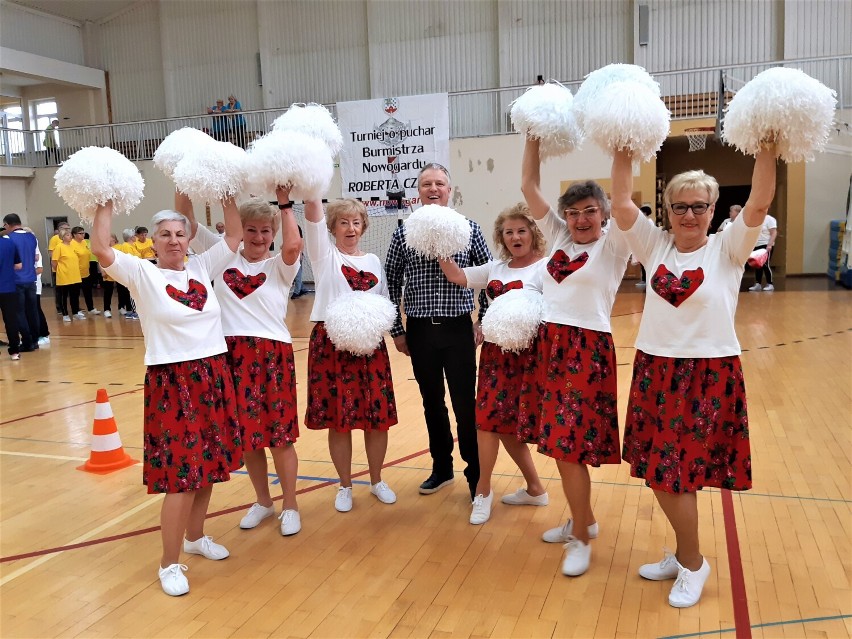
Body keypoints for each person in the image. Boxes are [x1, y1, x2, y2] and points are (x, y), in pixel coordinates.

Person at [611, 142, 777, 608]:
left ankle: (692, 561)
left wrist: (767, 147)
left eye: (698, 206)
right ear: (667, 210)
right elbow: (622, 201)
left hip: (708, 373)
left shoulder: (729, 247)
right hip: (654, 370)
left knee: (674, 475)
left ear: (712, 210)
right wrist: (623, 144)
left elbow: (761, 202)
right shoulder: (654, 245)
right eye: (680, 206)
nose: (689, 215)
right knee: (662, 473)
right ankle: (684, 553)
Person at [90, 194, 243, 597]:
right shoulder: (142, 273)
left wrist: (225, 193)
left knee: (208, 467)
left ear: (189, 237)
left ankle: (195, 537)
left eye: (179, 233)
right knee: (181, 478)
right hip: (173, 381)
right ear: (152, 242)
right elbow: (101, 248)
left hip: (214, 374)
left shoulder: (201, 266)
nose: (174, 240)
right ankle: (168, 563)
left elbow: (235, 234)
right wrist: (105, 203)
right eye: (165, 235)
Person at [520, 137, 632, 577]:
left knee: (570, 448)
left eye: (589, 211)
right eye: (573, 212)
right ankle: (582, 518)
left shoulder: (614, 245)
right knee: (564, 446)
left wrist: (622, 141)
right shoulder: (561, 240)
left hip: (586, 350)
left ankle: (582, 536)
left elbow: (622, 195)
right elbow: (529, 185)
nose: (581, 219)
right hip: (551, 347)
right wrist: (533, 136)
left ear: (603, 214)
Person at [181, 188, 304, 536]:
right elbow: (188, 224)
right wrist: (211, 190)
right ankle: (264, 501)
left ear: (274, 233)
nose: (259, 237)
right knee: (249, 437)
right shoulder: (222, 256)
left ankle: (290, 504)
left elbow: (294, 246)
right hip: (231, 356)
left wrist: (284, 204)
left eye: (266, 230)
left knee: (279, 437)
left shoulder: (278, 266)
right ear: (240, 230)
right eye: (251, 229)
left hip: (273, 356)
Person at [438, 203, 549, 525]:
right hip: (494, 356)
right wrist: (441, 245)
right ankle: (483, 491)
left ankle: (536, 488)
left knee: (510, 427)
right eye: (508, 232)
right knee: (487, 421)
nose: (515, 236)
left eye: (521, 230)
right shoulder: (495, 268)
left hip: (527, 356)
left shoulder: (545, 269)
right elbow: (457, 276)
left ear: (533, 233)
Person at [385, 163, 491, 500]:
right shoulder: (404, 233)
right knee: (432, 403)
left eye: (440, 183)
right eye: (427, 183)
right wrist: (398, 330)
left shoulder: (470, 229)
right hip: (419, 332)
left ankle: (476, 476)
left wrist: (483, 321)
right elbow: (389, 279)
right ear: (418, 191)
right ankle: (441, 469)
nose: (434, 188)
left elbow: (491, 277)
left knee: (464, 405)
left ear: (450, 190)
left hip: (458, 329)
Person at [304, 198, 398, 512]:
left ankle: (376, 480)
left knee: (377, 420)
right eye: (343, 222)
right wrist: (311, 187)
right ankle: (344, 485)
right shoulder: (323, 256)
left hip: (370, 346)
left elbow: (384, 302)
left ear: (363, 227)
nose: (351, 228)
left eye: (356, 222)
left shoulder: (373, 260)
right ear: (332, 228)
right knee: (339, 422)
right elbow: (312, 221)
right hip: (331, 346)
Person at [3, 214, 39, 351]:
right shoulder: (32, 237)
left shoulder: (8, 239)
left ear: (7, 224)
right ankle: (35, 340)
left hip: (16, 280)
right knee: (32, 311)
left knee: (19, 312)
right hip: (31, 279)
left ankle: (27, 342)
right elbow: (35, 257)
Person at [51, 228, 82, 322]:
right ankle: (65, 314)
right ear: (63, 237)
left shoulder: (72, 246)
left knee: (75, 295)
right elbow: (54, 262)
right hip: (64, 276)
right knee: (63, 296)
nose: (70, 237)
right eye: (68, 235)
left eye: (70, 235)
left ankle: (75, 312)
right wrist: (60, 270)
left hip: (75, 275)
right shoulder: (59, 247)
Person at [0, 234, 22, 360]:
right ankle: (14, 351)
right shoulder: (10, 243)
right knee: (11, 320)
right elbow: (18, 265)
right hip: (8, 287)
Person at [70, 227, 99, 315]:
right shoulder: (71, 244)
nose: (83, 235)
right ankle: (75, 311)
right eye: (80, 233)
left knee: (88, 291)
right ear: (74, 235)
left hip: (86, 271)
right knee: (75, 293)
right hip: (76, 273)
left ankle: (90, 308)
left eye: (83, 233)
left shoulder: (84, 242)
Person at [748, 212, 777, 291]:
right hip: (757, 244)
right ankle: (758, 284)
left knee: (765, 264)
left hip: (766, 244)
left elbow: (773, 232)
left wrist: (770, 245)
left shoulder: (769, 219)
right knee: (757, 264)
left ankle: (770, 284)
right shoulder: (756, 220)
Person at [115, 229, 140, 318]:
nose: (136, 237)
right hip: (131, 273)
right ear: (131, 237)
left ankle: (134, 310)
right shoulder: (126, 246)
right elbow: (131, 260)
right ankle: (134, 311)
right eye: (135, 235)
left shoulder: (131, 245)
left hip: (135, 272)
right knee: (132, 291)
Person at [49, 222, 70, 313]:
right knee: (59, 290)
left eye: (68, 228)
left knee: (69, 289)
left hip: (68, 269)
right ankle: (59, 307)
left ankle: (71, 307)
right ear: (60, 228)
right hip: (58, 268)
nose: (67, 230)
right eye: (65, 228)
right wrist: (57, 267)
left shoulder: (70, 239)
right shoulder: (55, 238)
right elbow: (51, 253)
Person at [634, 205, 654, 288]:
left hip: (647, 245)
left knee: (646, 264)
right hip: (642, 244)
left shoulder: (649, 221)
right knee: (642, 263)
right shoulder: (643, 221)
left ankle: (646, 280)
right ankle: (644, 280)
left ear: (645, 212)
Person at [100, 234, 119, 318]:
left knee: (121, 291)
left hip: (118, 273)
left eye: (111, 240)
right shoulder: (104, 249)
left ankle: (121, 307)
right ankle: (107, 309)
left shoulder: (119, 248)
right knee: (108, 292)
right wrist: (102, 271)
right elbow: (100, 261)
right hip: (108, 273)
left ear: (115, 240)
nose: (110, 241)